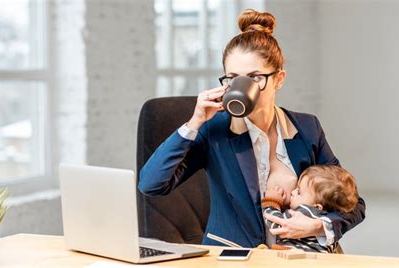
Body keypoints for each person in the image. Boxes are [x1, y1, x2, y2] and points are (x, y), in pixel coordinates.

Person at [138, 9, 365, 248]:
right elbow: (151, 184)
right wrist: (194, 122)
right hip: (233, 257)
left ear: (278, 79)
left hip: (298, 257)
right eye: (233, 77)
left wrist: (318, 225)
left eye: (254, 77)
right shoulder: (214, 132)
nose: (242, 86)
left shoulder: (307, 128)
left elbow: (354, 204)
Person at [262, 165, 359, 252]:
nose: (293, 192)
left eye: (299, 192)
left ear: (316, 207)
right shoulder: (324, 217)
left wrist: (272, 201)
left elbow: (277, 225)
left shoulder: (305, 212)